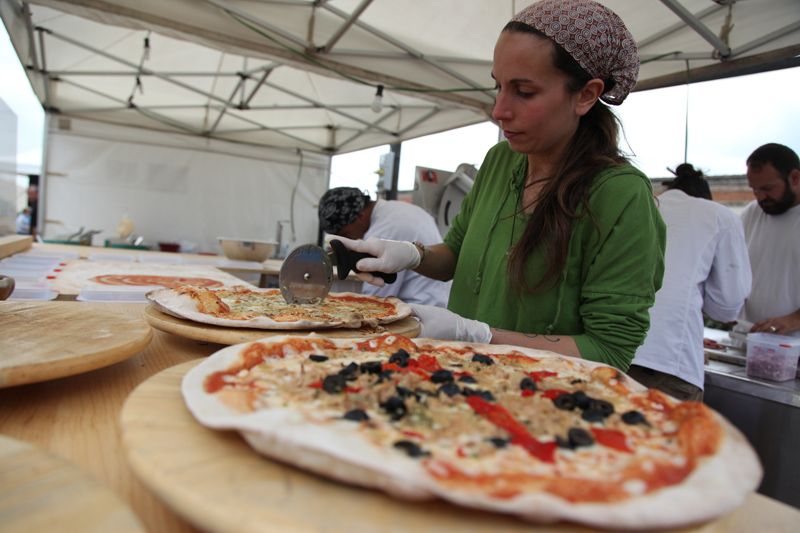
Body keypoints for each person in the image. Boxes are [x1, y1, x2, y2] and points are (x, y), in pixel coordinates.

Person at [336, 0, 666, 371]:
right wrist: (412, 255)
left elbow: (609, 351)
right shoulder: (500, 162)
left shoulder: (620, 196)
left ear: (586, 95)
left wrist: (481, 336)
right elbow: (457, 255)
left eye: (524, 92)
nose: (499, 110)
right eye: (498, 86)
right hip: (459, 382)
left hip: (542, 407)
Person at [629, 164, 751, 400]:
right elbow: (727, 307)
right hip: (667, 366)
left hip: (607, 352)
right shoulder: (719, 216)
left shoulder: (636, 206)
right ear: (706, 197)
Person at [317, 186, 450, 307]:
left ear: (360, 216)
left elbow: (375, 300)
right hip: (437, 300)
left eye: (345, 234)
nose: (347, 241)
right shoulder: (398, 210)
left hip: (421, 308)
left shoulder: (383, 231)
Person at [739, 143, 800, 336]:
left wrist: (794, 320)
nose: (760, 197)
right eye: (754, 189)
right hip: (749, 340)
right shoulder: (750, 213)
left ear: (795, 178)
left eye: (767, 188)